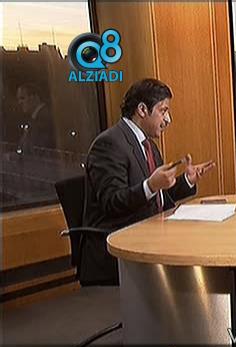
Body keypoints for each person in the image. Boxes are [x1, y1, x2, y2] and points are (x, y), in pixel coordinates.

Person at [81, 78, 215, 285]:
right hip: (120, 248)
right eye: (163, 111)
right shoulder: (109, 144)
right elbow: (112, 203)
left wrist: (186, 181)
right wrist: (151, 185)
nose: (168, 119)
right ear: (142, 110)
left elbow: (159, 195)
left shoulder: (148, 144)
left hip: (152, 234)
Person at [16, 83, 55, 151]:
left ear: (35, 97)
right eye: (18, 99)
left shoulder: (44, 118)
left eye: (22, 98)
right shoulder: (35, 118)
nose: (20, 102)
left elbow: (38, 148)